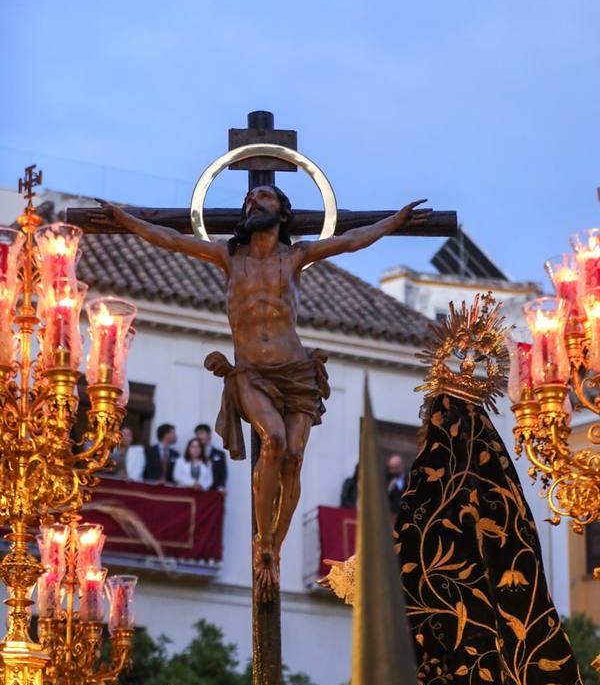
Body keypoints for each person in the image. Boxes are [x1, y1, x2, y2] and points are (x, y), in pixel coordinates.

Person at [93, 188, 430, 600]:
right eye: (250, 199)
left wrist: (394, 221)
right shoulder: (227, 257)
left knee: (294, 456)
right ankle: (264, 541)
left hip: (297, 371)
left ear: (282, 212)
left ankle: (276, 545)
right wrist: (124, 218)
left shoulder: (295, 257)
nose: (254, 202)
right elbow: (170, 239)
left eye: (264, 197)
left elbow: (352, 241)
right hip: (251, 372)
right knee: (273, 440)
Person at [194, 423, 227, 490]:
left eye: (202, 433)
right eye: (197, 434)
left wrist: (221, 487)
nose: (199, 437)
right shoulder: (193, 453)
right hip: (197, 489)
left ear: (209, 434)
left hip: (214, 490)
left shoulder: (219, 454)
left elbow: (223, 472)